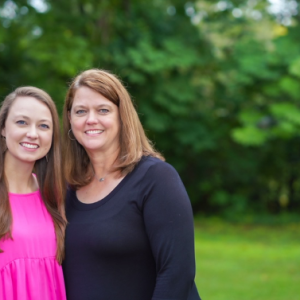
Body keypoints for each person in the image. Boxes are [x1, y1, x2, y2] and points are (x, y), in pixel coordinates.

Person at [62, 69, 201, 300]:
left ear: (121, 115)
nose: (91, 119)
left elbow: (177, 273)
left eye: (103, 110)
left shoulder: (156, 179)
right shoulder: (65, 187)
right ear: (69, 118)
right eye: (81, 111)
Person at [0, 87, 67, 300]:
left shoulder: (54, 196)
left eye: (43, 126)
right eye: (22, 122)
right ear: (3, 128)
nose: (32, 133)